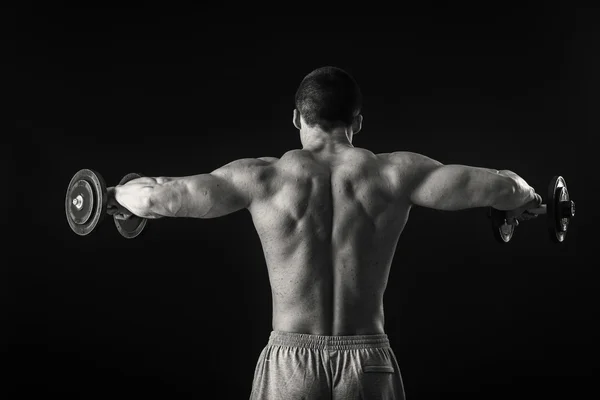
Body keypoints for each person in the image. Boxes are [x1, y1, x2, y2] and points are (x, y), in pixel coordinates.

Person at [106, 66, 542, 399]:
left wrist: (110, 195)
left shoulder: (264, 178)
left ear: (297, 118)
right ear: (357, 121)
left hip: (290, 363)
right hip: (368, 362)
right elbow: (502, 186)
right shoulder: (397, 174)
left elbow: (160, 197)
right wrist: (525, 199)